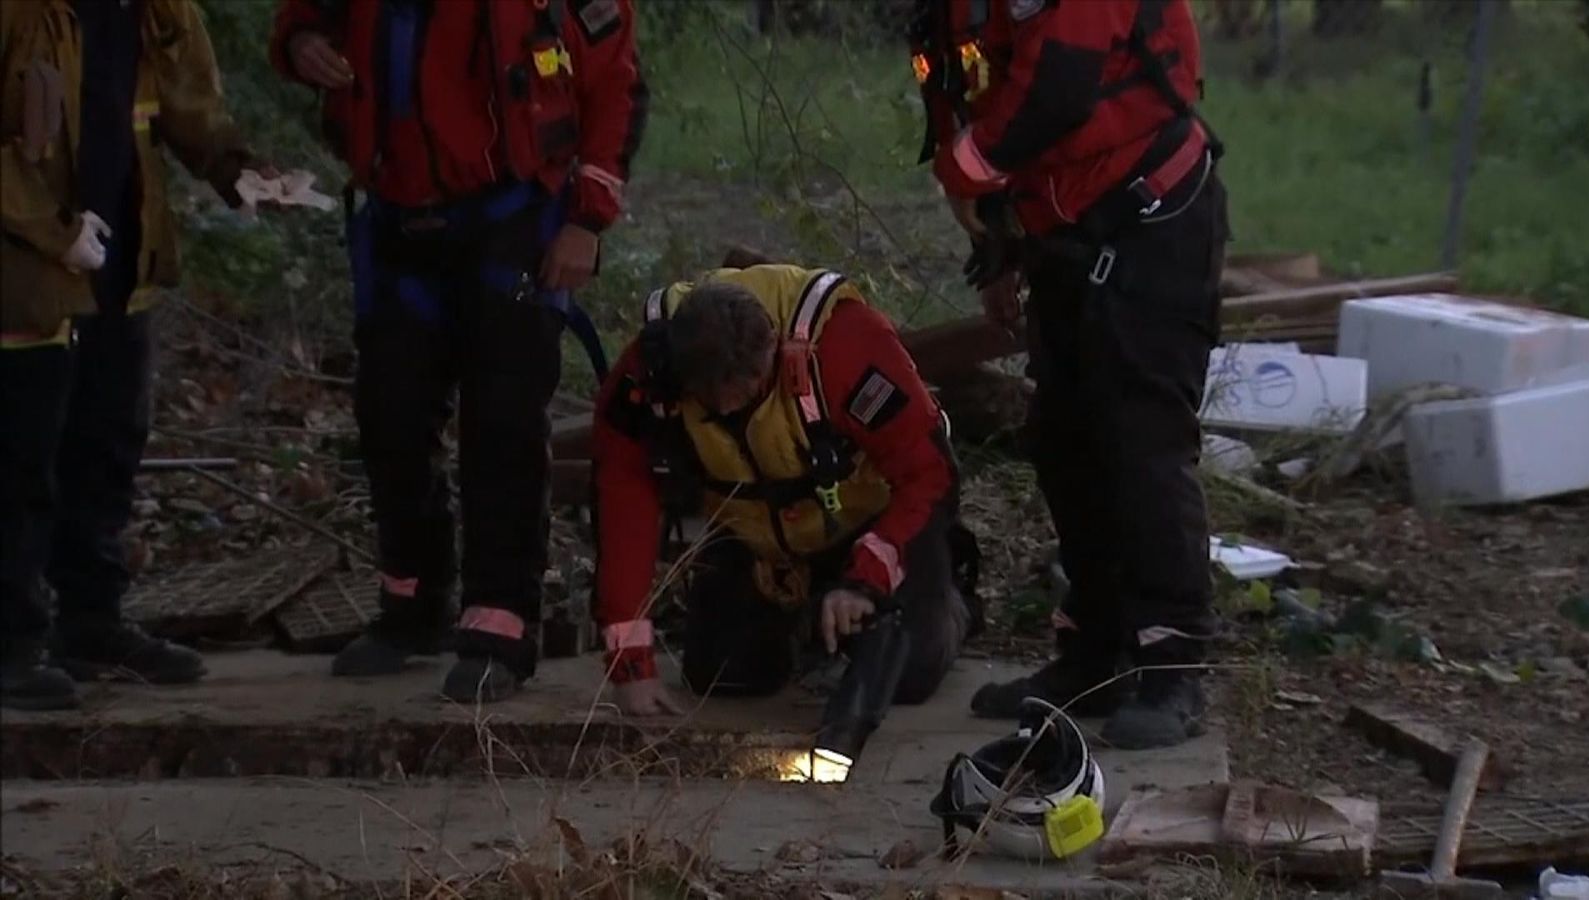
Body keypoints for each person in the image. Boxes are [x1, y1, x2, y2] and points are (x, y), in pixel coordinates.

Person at [269, 0, 648, 702]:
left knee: (502, 425)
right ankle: (412, 604)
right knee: (391, 415)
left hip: (513, 219)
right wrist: (302, 44)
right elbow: (304, 19)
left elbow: (616, 86)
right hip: (399, 220)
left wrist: (588, 223)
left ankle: (501, 624)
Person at [910, 0, 1230, 748]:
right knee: (1064, 443)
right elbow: (971, 95)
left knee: (1142, 445)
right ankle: (1093, 654)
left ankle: (1174, 666)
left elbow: (1057, 89)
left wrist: (963, 172)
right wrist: (997, 247)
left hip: (1151, 220)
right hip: (1064, 233)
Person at [1, 0, 272, 710]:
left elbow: (188, 98)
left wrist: (235, 170)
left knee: (106, 441)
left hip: (119, 254)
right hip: (25, 266)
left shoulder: (153, 8)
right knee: (21, 451)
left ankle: (91, 623)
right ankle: (12, 643)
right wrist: (53, 230)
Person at [590, 260, 978, 720]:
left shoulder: (845, 345)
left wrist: (866, 580)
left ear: (774, 346)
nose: (727, 408)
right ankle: (807, 623)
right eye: (709, 399)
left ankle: (951, 605)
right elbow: (622, 499)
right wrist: (631, 666)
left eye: (743, 391)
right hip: (755, 540)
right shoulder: (647, 373)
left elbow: (930, 474)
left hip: (867, 528)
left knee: (904, 673)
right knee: (724, 674)